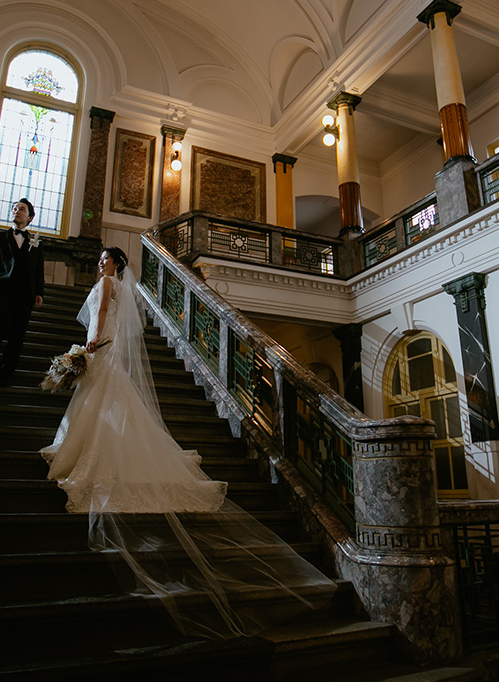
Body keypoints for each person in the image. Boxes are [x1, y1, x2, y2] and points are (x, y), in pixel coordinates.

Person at [39, 247, 336, 638]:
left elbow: (101, 316)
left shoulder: (109, 283)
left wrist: (90, 345)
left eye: (105, 259)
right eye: (98, 260)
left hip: (100, 348)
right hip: (102, 349)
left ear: (117, 265)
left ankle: (93, 452)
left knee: (105, 404)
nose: (100, 264)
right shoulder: (107, 282)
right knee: (106, 405)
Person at [0, 198, 44, 387]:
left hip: (25, 295)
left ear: (30, 217)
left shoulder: (35, 242)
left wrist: (39, 292)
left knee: (17, 336)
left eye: (22, 209)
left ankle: (4, 374)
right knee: (3, 323)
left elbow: (38, 269)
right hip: (2, 291)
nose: (17, 211)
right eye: (15, 208)